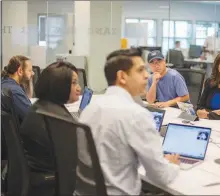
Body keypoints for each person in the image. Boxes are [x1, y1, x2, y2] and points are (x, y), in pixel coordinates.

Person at [77, 48, 180, 195]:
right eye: (140, 70)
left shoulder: (90, 108)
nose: (147, 75)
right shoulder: (136, 114)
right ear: (122, 77)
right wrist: (172, 164)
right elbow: (160, 177)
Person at [19, 61, 81, 195]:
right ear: (59, 85)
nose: (79, 88)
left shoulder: (42, 108)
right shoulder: (55, 118)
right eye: (74, 83)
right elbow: (73, 160)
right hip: (54, 185)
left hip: (41, 180)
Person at [1, 55, 34, 124]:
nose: (33, 73)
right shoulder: (15, 91)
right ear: (20, 71)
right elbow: (32, 118)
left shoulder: (4, 83)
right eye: (30, 70)